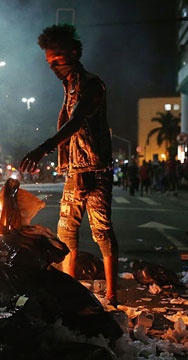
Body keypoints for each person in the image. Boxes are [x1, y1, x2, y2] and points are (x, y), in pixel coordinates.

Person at [19, 24, 119, 305]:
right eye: (49, 61)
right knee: (66, 230)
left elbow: (77, 121)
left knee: (101, 230)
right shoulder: (69, 86)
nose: (54, 65)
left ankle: (112, 294)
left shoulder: (91, 84)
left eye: (58, 58)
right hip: (74, 169)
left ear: (74, 53)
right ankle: (70, 289)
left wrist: (44, 148)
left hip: (94, 170)